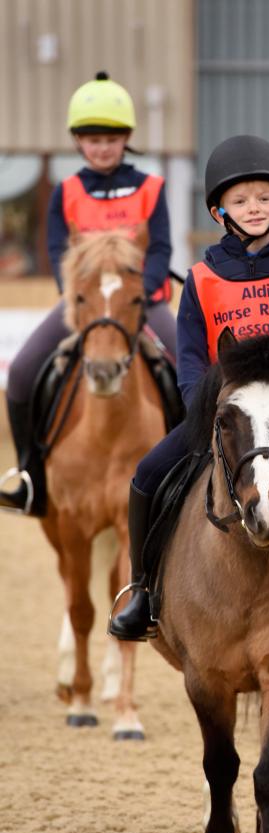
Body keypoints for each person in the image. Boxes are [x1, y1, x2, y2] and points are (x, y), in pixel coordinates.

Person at [108, 134, 269, 641]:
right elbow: (189, 357)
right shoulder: (202, 277)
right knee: (148, 473)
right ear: (218, 211)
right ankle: (143, 589)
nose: (253, 208)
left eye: (263, 198)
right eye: (239, 200)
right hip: (226, 411)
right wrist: (201, 409)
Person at [0, 71, 176, 516]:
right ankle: (29, 476)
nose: (102, 147)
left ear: (126, 138)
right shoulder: (67, 192)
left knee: (194, 371)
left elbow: (160, 249)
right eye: (92, 138)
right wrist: (81, 300)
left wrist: (139, 296)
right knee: (21, 374)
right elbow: (59, 251)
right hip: (84, 306)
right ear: (78, 141)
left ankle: (191, 471)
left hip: (143, 304)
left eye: (111, 138)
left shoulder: (150, 188)